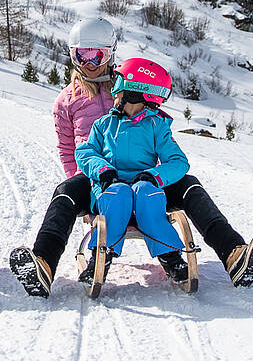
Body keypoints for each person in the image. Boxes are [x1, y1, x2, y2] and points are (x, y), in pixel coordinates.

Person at [9, 17, 253, 295]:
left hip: (146, 181)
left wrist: (155, 176)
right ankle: (43, 265)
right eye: (81, 55)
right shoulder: (66, 100)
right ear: (72, 55)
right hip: (100, 180)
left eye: (97, 55)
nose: (89, 63)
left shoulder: (129, 85)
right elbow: (68, 150)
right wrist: (91, 191)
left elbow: (159, 122)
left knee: (190, 184)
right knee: (65, 192)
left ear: (110, 53)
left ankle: (234, 255)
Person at [74, 56, 193, 284]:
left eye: (118, 84)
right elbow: (85, 152)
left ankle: (170, 256)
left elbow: (178, 162)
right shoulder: (104, 124)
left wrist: (154, 176)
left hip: (143, 190)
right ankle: (101, 256)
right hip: (111, 189)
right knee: (118, 194)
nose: (114, 91)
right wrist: (104, 171)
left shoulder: (156, 126)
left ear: (135, 90)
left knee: (146, 193)